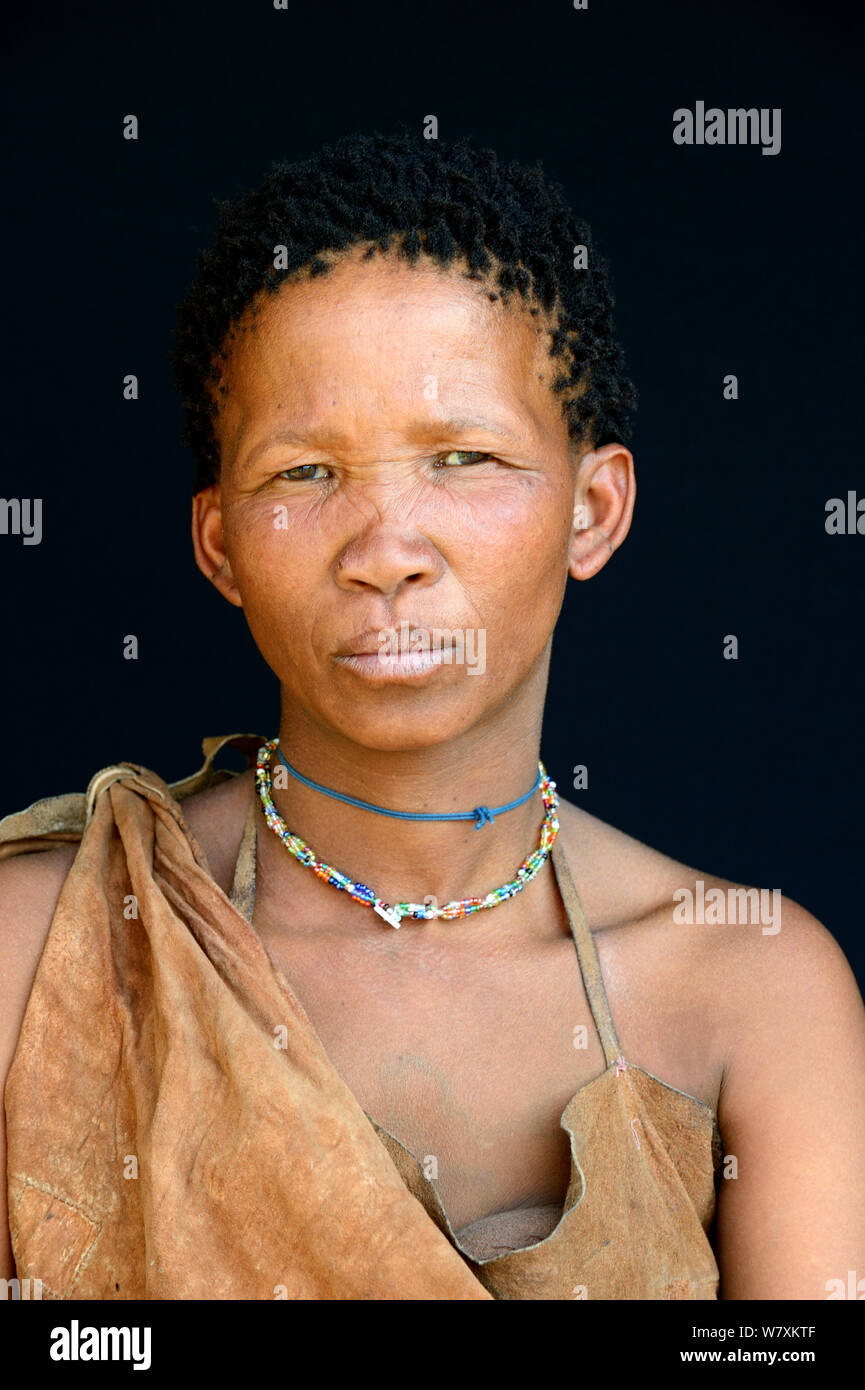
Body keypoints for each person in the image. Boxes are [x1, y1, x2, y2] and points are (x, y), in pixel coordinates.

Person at [1, 130, 863, 1301]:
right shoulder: (45, 948)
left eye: (461, 457)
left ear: (593, 509)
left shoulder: (749, 986)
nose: (386, 553)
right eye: (304, 474)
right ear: (219, 545)